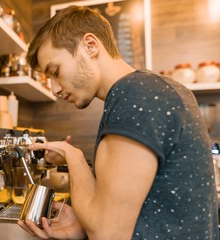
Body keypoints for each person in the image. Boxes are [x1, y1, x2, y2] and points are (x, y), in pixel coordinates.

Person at [17, 5, 219, 240]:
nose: (55, 88)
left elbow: (107, 233)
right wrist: (83, 224)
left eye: (56, 71)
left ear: (90, 45)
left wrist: (74, 156)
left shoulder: (134, 96)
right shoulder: (151, 89)